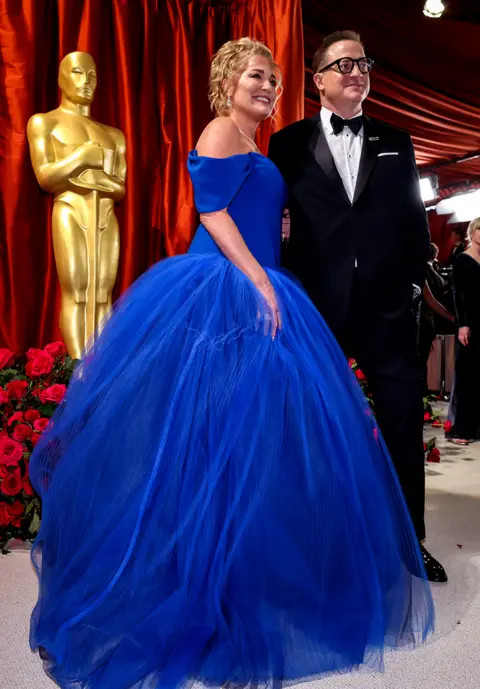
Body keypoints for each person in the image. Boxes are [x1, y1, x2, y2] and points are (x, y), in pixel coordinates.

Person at [29, 38, 433, 689]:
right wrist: (261, 281)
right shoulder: (221, 127)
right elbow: (211, 212)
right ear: (227, 79)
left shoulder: (259, 141)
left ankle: (243, 584)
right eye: (256, 77)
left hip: (264, 288)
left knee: (248, 450)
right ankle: (194, 594)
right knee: (208, 447)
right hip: (225, 292)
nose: (267, 87)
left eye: (273, 80)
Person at [268, 30, 446, 583]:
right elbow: (276, 225)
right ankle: (316, 539)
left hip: (387, 312)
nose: (356, 71)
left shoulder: (398, 139)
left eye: (363, 62)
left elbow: (414, 224)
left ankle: (408, 541)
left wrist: (412, 289)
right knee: (309, 424)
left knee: (399, 424)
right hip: (316, 311)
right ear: (317, 79)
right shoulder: (287, 143)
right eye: (342, 64)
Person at [448, 217, 480, 444]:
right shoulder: (462, 260)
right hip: (470, 324)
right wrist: (462, 324)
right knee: (467, 376)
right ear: (473, 233)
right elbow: (458, 296)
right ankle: (462, 429)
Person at [419, 244, 454, 394]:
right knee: (420, 361)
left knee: (420, 361)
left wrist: (453, 318)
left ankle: (422, 394)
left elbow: (431, 300)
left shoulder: (422, 271)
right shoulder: (428, 272)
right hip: (421, 324)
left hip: (424, 324)